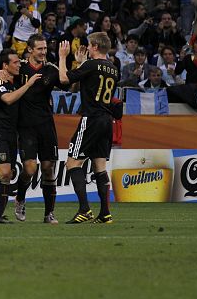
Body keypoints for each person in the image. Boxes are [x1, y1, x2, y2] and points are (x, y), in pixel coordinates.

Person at [57, 33, 121, 224]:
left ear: (94, 46)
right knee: (100, 167)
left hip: (91, 119)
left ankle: (84, 209)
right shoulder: (114, 69)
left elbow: (63, 79)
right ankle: (105, 213)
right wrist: (81, 63)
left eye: (88, 45)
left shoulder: (90, 66)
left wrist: (62, 57)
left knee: (72, 163)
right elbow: (87, 85)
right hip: (106, 121)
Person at [0, 49, 41, 224]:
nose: (19, 65)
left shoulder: (16, 79)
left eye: (19, 62)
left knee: (8, 174)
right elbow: (9, 99)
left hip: (12, 132)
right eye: (15, 62)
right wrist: (27, 85)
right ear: (5, 65)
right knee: (3, 171)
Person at [11, 35, 65, 224]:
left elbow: (70, 85)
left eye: (45, 48)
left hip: (46, 125)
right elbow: (1, 73)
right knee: (30, 168)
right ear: (30, 50)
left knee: (49, 168)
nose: (43, 52)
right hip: (25, 126)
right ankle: (20, 198)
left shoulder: (51, 69)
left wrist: (69, 61)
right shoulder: (20, 67)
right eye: (39, 49)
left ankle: (49, 213)